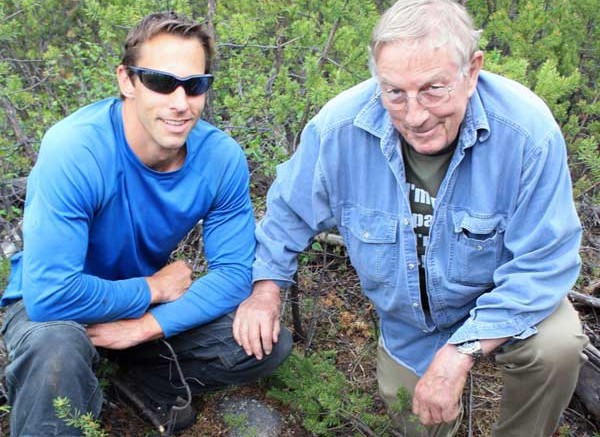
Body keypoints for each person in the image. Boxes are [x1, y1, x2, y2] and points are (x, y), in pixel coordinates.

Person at [232, 1, 589, 436]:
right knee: (418, 423)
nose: (414, 116)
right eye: (394, 92)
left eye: (433, 89)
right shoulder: (339, 130)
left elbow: (544, 262)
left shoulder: (527, 133)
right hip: (411, 321)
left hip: (504, 297)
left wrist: (461, 352)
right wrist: (265, 291)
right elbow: (288, 212)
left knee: (556, 345)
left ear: (472, 71)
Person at [0, 11, 292, 437]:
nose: (180, 102)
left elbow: (233, 274)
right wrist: (154, 288)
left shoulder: (219, 158)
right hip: (52, 308)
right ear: (127, 81)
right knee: (56, 347)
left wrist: (144, 327)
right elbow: (51, 296)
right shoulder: (76, 149)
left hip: (138, 310)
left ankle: (128, 382)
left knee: (261, 341)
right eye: (160, 82)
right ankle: (56, 388)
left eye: (195, 85)